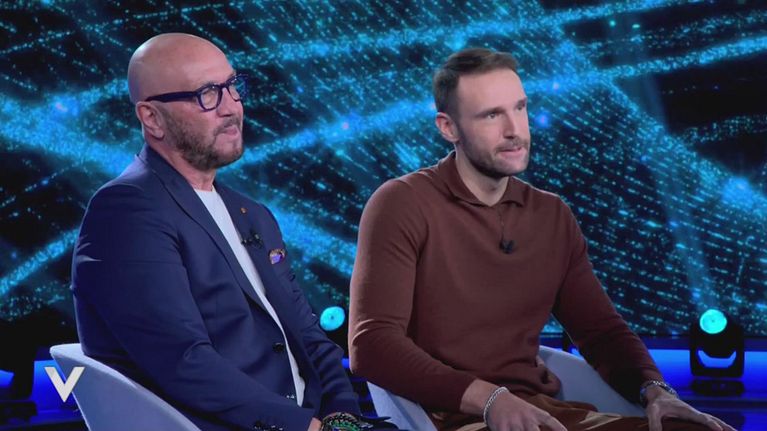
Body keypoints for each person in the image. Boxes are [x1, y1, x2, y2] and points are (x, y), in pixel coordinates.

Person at [348, 48, 735, 431]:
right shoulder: (402, 203)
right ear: (448, 128)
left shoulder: (551, 214)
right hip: (453, 415)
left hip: (547, 412)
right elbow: (371, 344)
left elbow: (601, 332)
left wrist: (655, 390)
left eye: (520, 108)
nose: (514, 130)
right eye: (491, 115)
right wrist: (490, 399)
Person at [72, 33, 389, 431]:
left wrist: (344, 421)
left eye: (232, 86)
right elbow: (184, 362)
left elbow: (308, 336)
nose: (231, 106)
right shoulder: (127, 210)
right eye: (206, 94)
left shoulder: (252, 214)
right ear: (151, 118)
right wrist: (311, 428)